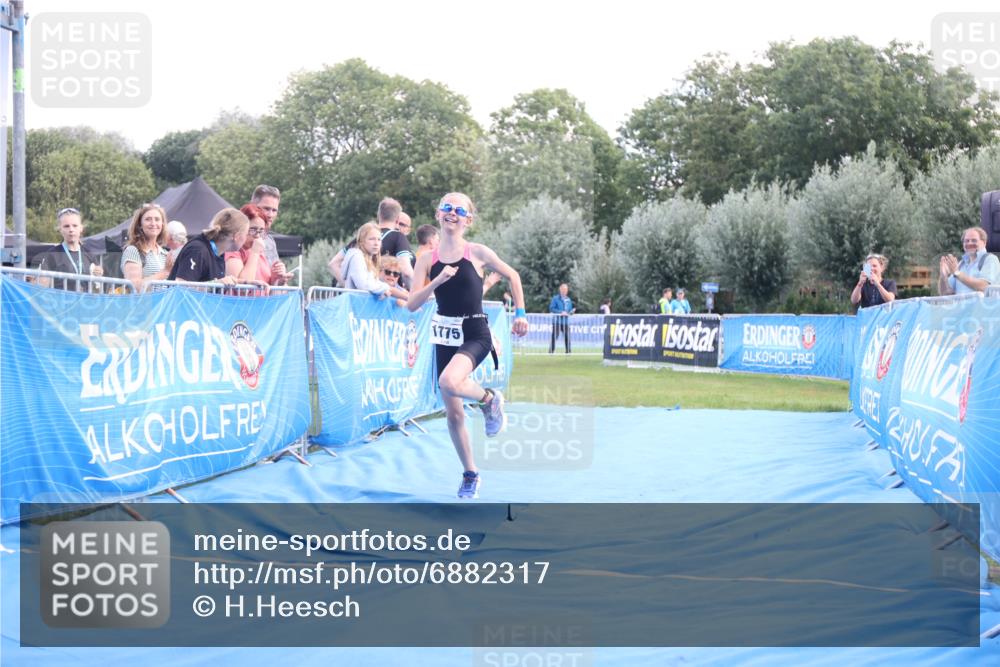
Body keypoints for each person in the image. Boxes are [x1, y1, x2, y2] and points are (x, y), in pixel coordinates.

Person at [407, 192, 528, 499]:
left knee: (449, 381)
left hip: (474, 332)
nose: (452, 212)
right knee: (454, 413)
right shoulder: (426, 260)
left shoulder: (477, 252)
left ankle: (489, 399)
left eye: (459, 210)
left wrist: (521, 314)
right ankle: (470, 474)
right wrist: (436, 282)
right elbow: (411, 304)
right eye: (446, 207)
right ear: (438, 214)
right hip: (444, 335)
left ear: (468, 220)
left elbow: (513, 276)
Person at [168, 208, 249, 284]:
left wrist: (241, 284)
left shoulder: (219, 253)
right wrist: (216, 283)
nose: (246, 238)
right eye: (246, 234)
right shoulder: (197, 249)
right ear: (236, 236)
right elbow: (181, 286)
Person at [35, 207, 104, 289]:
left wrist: (99, 273)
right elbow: (41, 286)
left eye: (75, 226)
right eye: (66, 226)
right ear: (60, 229)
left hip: (83, 297)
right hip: (61, 297)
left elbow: (98, 281)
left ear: (81, 228)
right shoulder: (52, 254)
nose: (71, 229)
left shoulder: (89, 253)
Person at [341, 221, 409, 301]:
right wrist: (384, 288)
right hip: (355, 305)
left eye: (379, 239)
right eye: (372, 239)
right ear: (362, 241)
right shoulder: (357, 257)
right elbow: (363, 284)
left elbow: (372, 284)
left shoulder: (369, 258)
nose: (376, 243)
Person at [225, 204, 289, 287]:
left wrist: (278, 280)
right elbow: (242, 290)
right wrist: (255, 253)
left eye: (261, 230)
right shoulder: (233, 251)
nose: (258, 235)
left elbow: (267, 290)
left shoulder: (259, 252)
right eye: (253, 229)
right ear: (241, 228)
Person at [121, 203, 174, 290]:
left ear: (162, 224)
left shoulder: (165, 254)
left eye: (157, 219)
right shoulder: (133, 251)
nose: (153, 223)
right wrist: (164, 273)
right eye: (148, 219)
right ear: (140, 225)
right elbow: (134, 287)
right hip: (143, 300)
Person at [938, 227, 1000, 295]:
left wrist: (957, 273)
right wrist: (943, 276)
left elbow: (984, 286)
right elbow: (946, 293)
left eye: (974, 240)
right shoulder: (961, 264)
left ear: (984, 242)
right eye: (966, 241)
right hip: (962, 302)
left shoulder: (990, 259)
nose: (969, 243)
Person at [250, 184, 292, 282]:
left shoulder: (270, 241)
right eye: (266, 209)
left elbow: (271, 283)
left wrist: (280, 280)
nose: (270, 215)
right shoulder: (240, 237)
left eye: (274, 210)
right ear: (253, 207)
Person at [376, 198, 415, 287]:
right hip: (387, 293)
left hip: (359, 292)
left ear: (379, 215)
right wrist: (418, 291)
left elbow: (340, 263)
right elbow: (406, 272)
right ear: (397, 219)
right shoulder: (398, 236)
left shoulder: (362, 236)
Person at [548, 283, 574, 354]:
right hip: (557, 321)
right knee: (554, 336)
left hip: (566, 321)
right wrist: (560, 312)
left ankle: (568, 351)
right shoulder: (555, 298)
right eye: (563, 289)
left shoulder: (568, 299)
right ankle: (551, 351)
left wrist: (571, 312)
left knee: (567, 336)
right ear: (560, 290)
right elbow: (551, 308)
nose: (565, 291)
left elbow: (569, 310)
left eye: (566, 290)